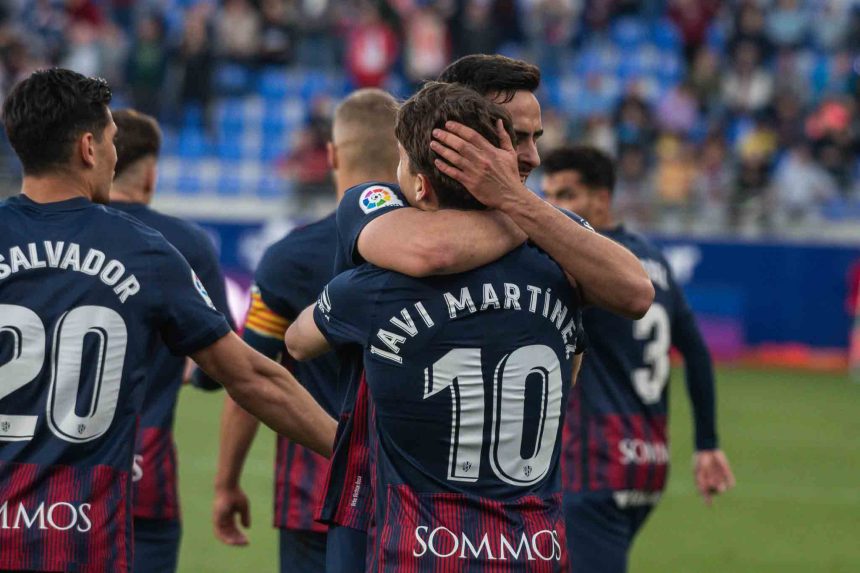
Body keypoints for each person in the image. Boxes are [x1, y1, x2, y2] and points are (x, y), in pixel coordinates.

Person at [314, 54, 654, 573]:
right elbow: (430, 250)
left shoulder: (534, 215)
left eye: (536, 136)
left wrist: (518, 204)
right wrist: (529, 213)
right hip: (375, 505)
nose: (534, 156)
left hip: (506, 523)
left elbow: (634, 291)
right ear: (457, 133)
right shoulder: (379, 198)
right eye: (517, 137)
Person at [0, 68, 335, 573]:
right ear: (88, 148)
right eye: (113, 141)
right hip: (82, 542)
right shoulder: (144, 251)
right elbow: (252, 377)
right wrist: (356, 452)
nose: (116, 158)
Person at [286, 81, 584, 571]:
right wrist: (523, 208)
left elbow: (297, 342)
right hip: (533, 547)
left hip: (421, 548)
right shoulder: (558, 267)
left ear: (420, 184)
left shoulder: (373, 287)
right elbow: (590, 341)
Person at [211, 88, 400, 572]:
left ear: (333, 155)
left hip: (312, 494)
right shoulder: (436, 252)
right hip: (410, 496)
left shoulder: (290, 257)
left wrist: (226, 483)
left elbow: (249, 377)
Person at [539, 146, 736, 573]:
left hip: (595, 461)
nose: (552, 207)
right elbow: (697, 352)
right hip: (647, 458)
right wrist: (706, 443)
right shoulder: (651, 260)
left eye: (566, 195)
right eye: (547, 195)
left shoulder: (584, 261)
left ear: (601, 199)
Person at [108, 108, 235, 573]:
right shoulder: (185, 243)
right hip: (144, 464)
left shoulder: (44, 233)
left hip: (42, 473)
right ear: (152, 173)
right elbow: (219, 367)